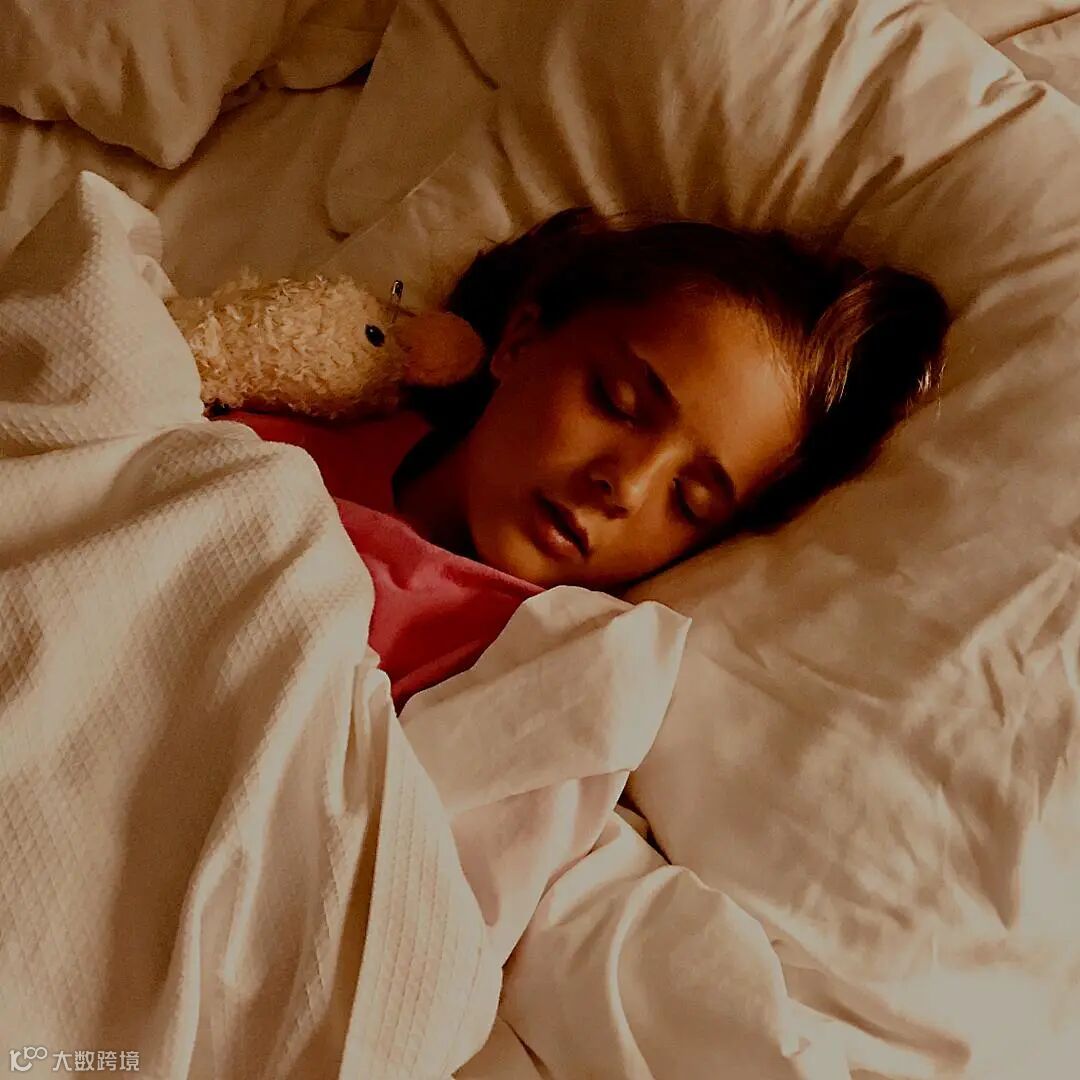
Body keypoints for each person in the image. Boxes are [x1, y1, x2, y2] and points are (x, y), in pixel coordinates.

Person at [228, 208, 949, 700]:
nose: (626, 486)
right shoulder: (289, 412)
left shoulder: (527, 666)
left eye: (690, 500)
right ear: (522, 339)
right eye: (619, 402)